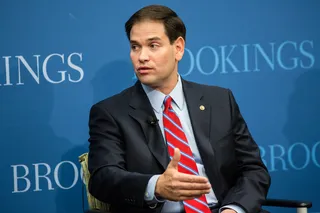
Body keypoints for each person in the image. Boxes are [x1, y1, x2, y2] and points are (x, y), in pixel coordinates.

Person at [87, 4, 271, 213]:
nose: (142, 57)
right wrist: (156, 186)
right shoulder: (110, 112)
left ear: (178, 48)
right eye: (135, 47)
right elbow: (103, 178)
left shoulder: (219, 100)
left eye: (153, 45)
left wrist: (235, 208)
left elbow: (253, 169)